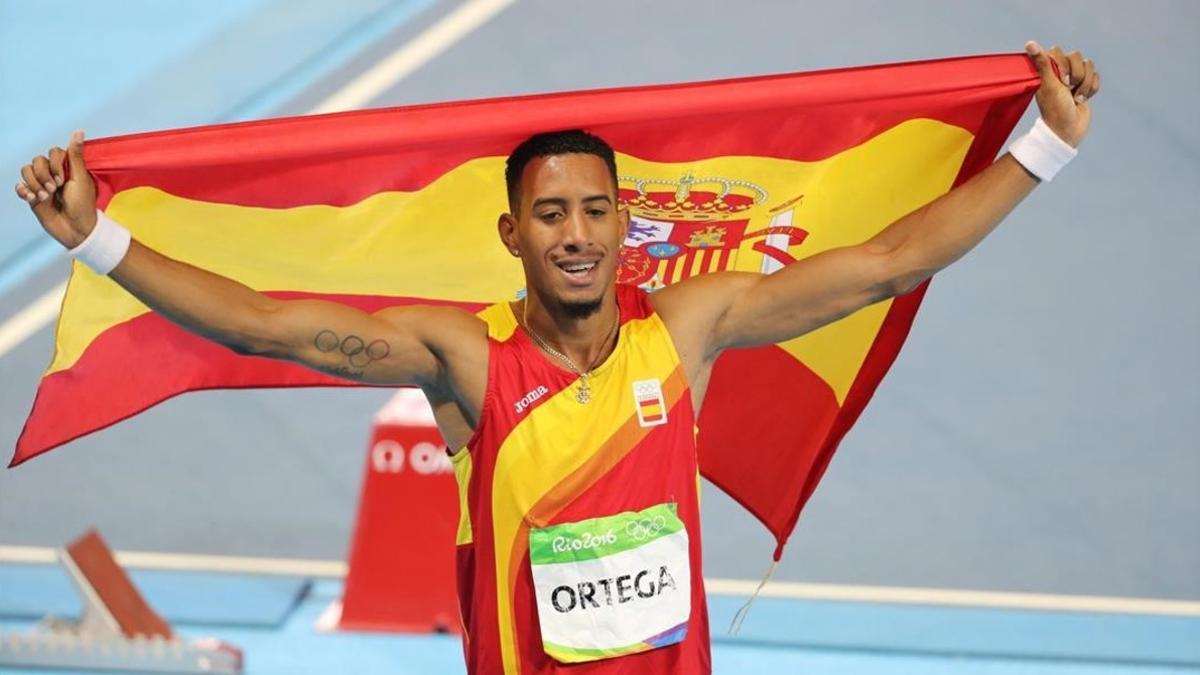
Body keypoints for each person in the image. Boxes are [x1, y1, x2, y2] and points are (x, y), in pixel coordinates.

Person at [15, 42, 1098, 674]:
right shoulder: (465, 360)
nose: (575, 235)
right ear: (513, 236)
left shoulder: (686, 328)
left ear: (627, 224)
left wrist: (1041, 147)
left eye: (594, 212)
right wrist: (94, 239)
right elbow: (263, 324)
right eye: (549, 216)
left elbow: (884, 265)